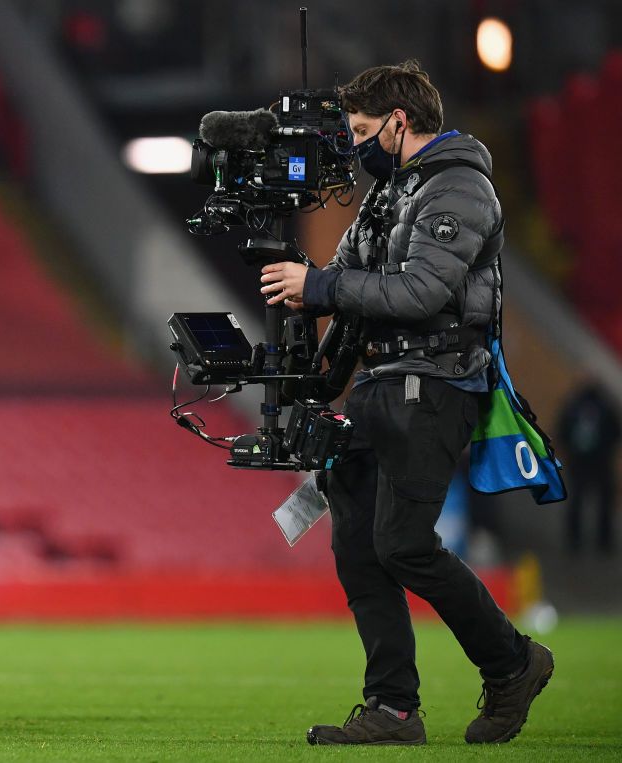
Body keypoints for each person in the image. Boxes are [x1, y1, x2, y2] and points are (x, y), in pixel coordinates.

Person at [260, 60, 553, 746]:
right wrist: (315, 383)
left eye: (364, 130)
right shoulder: (390, 192)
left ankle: (515, 663)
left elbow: (420, 293)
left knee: (403, 544)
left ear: (399, 121)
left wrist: (325, 287)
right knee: (358, 543)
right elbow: (357, 300)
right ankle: (392, 708)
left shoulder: (460, 187)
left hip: (438, 381)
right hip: (382, 383)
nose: (357, 144)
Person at [557, 379, 620, 555]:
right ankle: (601, 541)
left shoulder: (574, 406)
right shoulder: (604, 407)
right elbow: (616, 432)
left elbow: (562, 429)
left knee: (581, 501)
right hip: (597, 461)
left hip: (584, 461)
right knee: (598, 502)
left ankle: (579, 540)